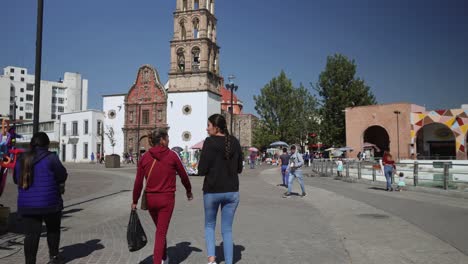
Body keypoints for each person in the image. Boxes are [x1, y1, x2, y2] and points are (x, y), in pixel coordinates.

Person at [132, 128, 193, 264]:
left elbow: (138, 182)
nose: (169, 140)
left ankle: (164, 257)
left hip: (151, 200)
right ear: (162, 140)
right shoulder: (172, 155)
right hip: (166, 199)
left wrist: (135, 200)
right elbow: (184, 175)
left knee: (160, 229)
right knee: (160, 233)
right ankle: (158, 261)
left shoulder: (145, 157)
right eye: (168, 138)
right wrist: (188, 190)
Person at [14, 132, 68, 264]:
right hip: (50, 202)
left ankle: (30, 262)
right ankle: (54, 257)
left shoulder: (22, 158)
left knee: (31, 235)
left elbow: (16, 179)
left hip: (28, 204)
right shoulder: (51, 158)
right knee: (53, 229)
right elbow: (62, 175)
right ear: (47, 144)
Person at [198, 114, 243, 264]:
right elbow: (239, 168)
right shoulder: (235, 142)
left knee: (210, 225)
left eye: (209, 125)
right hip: (232, 190)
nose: (206, 128)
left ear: (216, 127)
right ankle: (229, 261)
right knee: (227, 230)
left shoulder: (209, 142)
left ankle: (212, 259)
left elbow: (202, 170)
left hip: (212, 190)